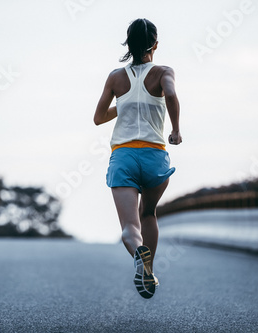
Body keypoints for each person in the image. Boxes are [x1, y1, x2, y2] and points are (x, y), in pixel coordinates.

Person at [93, 18, 182, 299]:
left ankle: (138, 255)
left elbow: (98, 118)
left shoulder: (116, 78)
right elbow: (170, 94)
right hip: (155, 157)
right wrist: (176, 130)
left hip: (124, 156)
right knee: (149, 213)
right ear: (155, 44)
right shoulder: (164, 71)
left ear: (128, 44)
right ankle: (150, 270)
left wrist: (126, 104)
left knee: (130, 227)